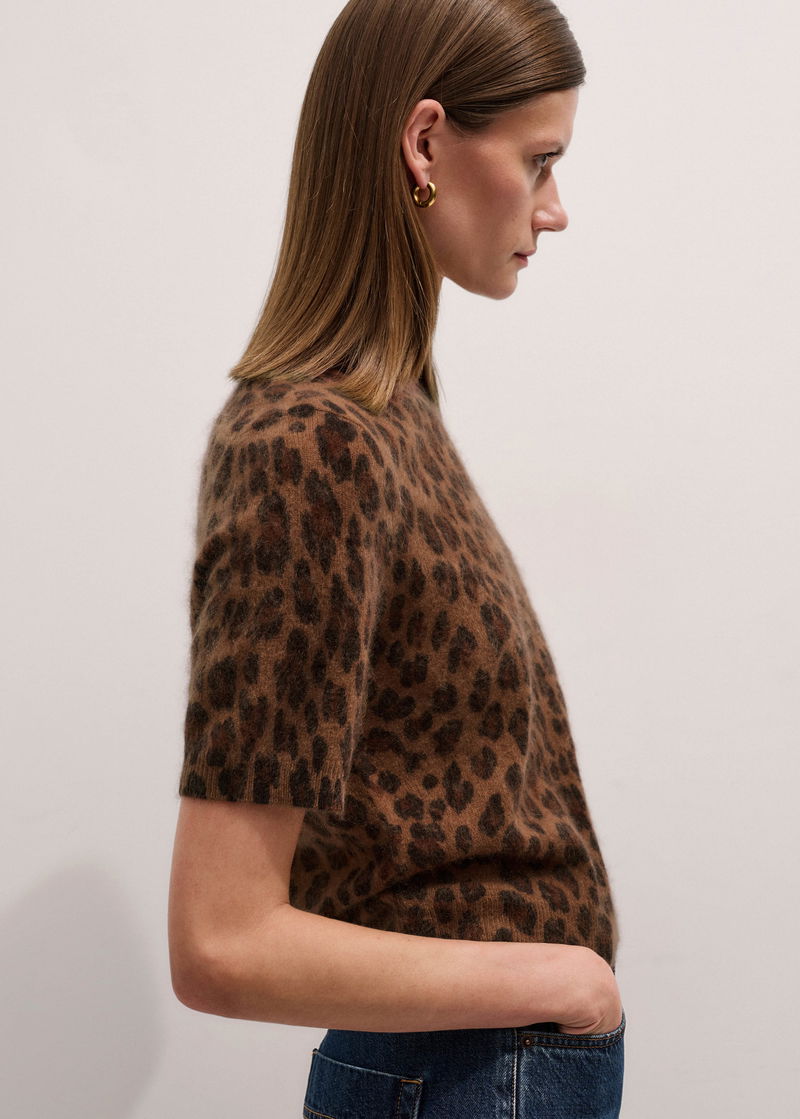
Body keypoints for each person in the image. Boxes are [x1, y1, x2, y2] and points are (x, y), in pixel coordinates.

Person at [168, 0, 626, 1115]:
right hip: (465, 1075)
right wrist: (561, 979)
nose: (554, 208)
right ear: (425, 143)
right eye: (539, 161)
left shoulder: (388, 418)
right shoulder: (308, 443)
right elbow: (221, 938)